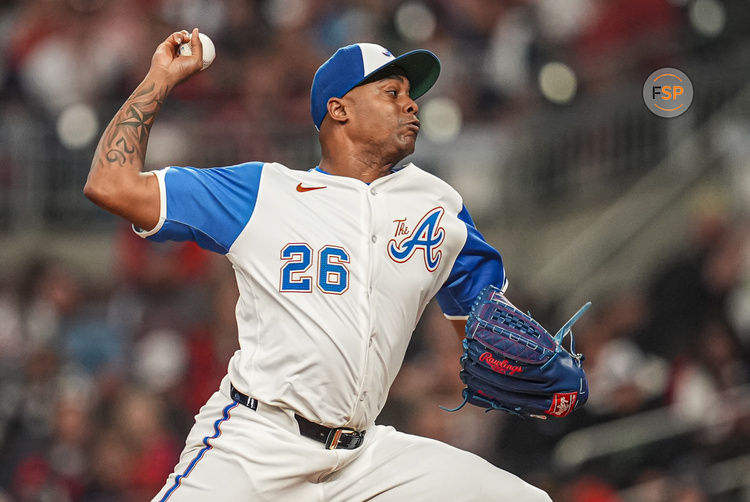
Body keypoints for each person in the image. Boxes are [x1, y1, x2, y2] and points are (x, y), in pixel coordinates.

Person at [84, 28, 552, 502]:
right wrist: (159, 79)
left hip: (364, 458)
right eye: (392, 92)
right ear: (339, 109)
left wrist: (524, 373)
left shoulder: (438, 204)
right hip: (257, 443)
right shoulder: (263, 192)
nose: (411, 105)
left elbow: (486, 327)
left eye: (411, 96)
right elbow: (111, 184)